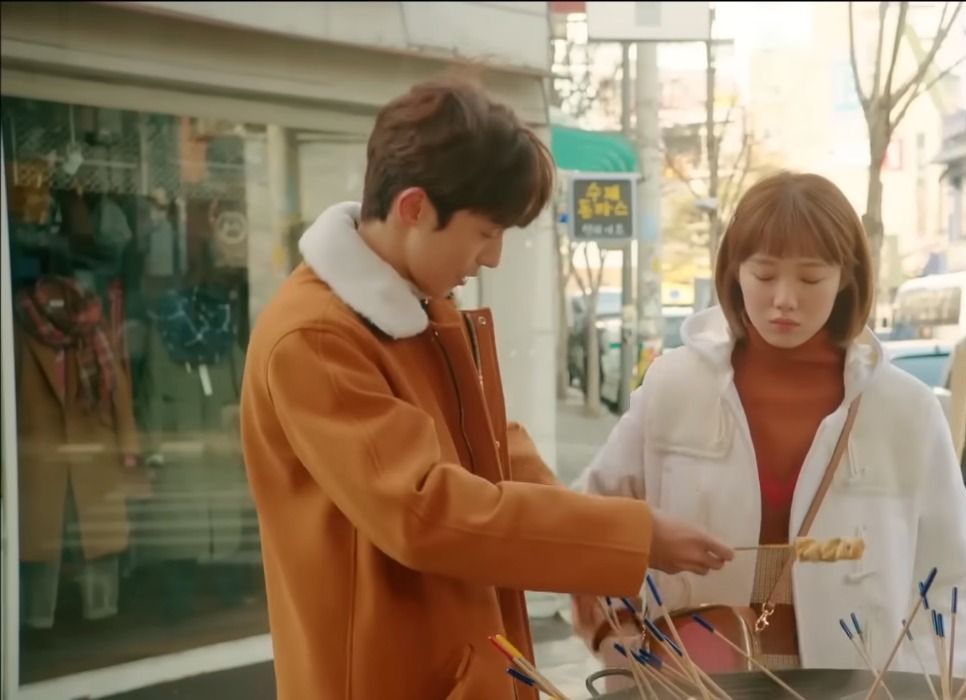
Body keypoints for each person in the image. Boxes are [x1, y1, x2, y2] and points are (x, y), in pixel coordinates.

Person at [239, 77, 733, 700]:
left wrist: (604, 543)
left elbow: (495, 452)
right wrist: (631, 538)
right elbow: (425, 510)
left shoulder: (420, 302)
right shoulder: (315, 337)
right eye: (484, 232)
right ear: (414, 207)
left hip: (465, 665)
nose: (493, 257)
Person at [572, 172, 966, 680]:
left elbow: (957, 580)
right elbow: (586, 525)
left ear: (847, 277)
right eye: (765, 274)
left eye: (811, 278)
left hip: (853, 689)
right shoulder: (675, 386)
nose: (784, 299)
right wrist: (612, 635)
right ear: (733, 272)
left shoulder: (904, 409)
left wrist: (908, 684)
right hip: (691, 684)